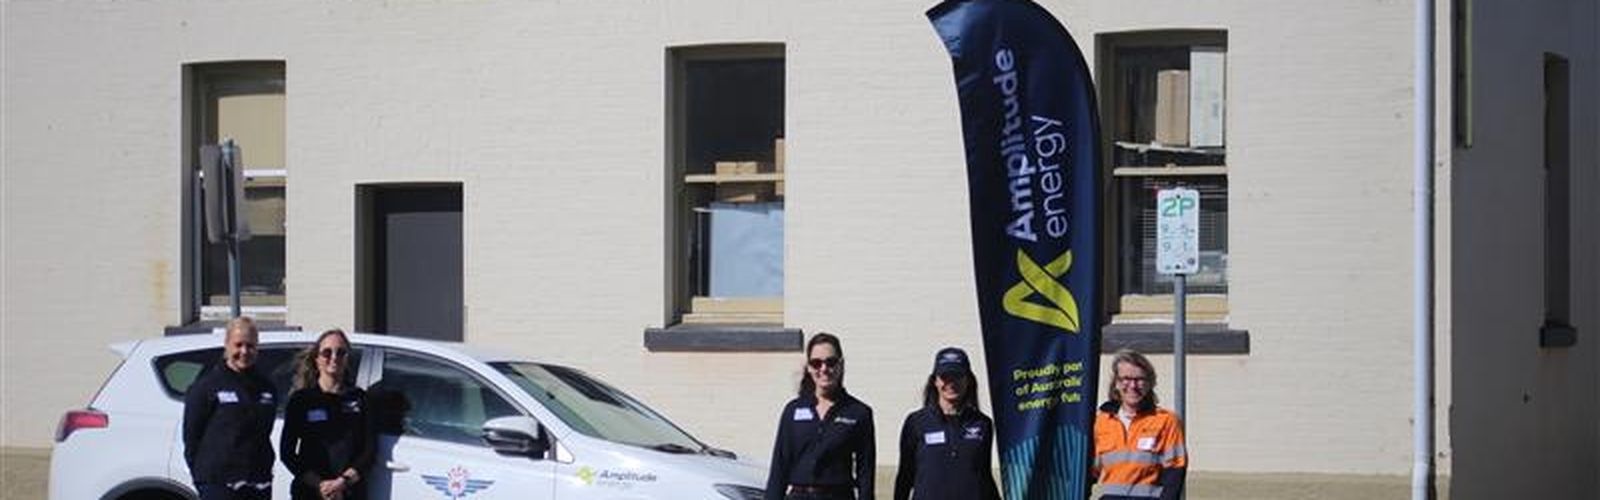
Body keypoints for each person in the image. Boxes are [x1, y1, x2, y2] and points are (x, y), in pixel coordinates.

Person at [765, 333, 876, 500]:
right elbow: (779, 468)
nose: (823, 369)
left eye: (830, 362)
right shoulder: (793, 411)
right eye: (816, 363)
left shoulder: (858, 413)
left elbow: (865, 473)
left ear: (841, 364)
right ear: (809, 367)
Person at [182, 317, 278, 500]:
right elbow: (191, 438)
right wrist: (204, 480)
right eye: (238, 345)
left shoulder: (267, 388)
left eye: (250, 346)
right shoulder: (206, 387)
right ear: (226, 345)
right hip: (219, 485)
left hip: (258, 483)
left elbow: (265, 431)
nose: (244, 351)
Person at [893, 347, 1000, 500]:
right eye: (945, 377)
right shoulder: (916, 422)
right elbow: (905, 476)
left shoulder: (983, 424)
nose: (951, 383)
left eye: (957, 376)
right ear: (935, 381)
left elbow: (984, 475)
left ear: (968, 380)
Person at [280, 329, 374, 500]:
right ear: (317, 359)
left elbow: (369, 451)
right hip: (310, 492)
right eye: (327, 352)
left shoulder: (360, 398)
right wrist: (321, 485)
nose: (334, 357)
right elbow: (287, 453)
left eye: (341, 352)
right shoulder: (301, 400)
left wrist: (342, 483)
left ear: (347, 358)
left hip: (349, 492)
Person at [1093, 349, 1187, 500]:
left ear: (1150, 383)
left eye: (1139, 379)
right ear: (1116, 383)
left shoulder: (1166, 420)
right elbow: (1089, 472)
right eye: (1126, 379)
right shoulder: (1101, 421)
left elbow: (1174, 473)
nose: (1133, 385)